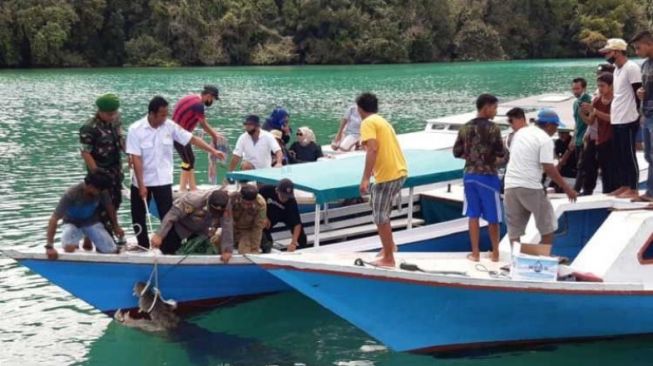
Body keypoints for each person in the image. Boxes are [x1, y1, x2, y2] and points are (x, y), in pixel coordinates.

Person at [126, 96, 225, 248]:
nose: (165, 118)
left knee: (167, 215)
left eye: (167, 114)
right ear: (152, 114)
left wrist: (212, 150)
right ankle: (142, 245)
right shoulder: (135, 129)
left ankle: (167, 245)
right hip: (142, 179)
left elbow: (192, 139)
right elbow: (136, 158)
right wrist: (141, 185)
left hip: (163, 180)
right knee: (138, 215)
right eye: (162, 115)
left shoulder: (169, 126)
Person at [504, 109, 577, 246]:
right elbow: (549, 168)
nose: (556, 130)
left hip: (510, 186)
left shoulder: (520, 133)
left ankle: (516, 260)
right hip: (530, 186)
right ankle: (544, 259)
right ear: (549, 125)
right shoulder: (545, 139)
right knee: (547, 225)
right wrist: (567, 188)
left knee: (514, 230)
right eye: (555, 127)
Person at [453, 94, 505, 262]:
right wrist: (489, 160)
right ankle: (495, 253)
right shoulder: (494, 128)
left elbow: (457, 152)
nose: (495, 111)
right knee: (493, 217)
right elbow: (500, 153)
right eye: (495, 107)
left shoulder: (465, 127)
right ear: (486, 107)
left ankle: (475, 253)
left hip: (469, 175)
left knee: (473, 215)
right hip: (487, 176)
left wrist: (472, 158)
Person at [358, 92, 408, 267]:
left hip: (388, 175)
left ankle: (389, 258)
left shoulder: (367, 122)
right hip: (398, 171)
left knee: (380, 216)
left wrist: (365, 178)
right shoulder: (381, 121)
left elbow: (372, 149)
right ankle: (390, 247)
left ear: (359, 109)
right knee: (380, 210)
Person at [79, 93, 125, 249]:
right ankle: (104, 244)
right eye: (109, 114)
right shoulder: (89, 128)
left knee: (115, 204)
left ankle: (100, 237)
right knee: (102, 209)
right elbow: (85, 152)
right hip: (100, 176)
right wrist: (96, 174)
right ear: (100, 111)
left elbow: (121, 140)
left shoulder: (115, 122)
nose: (113, 116)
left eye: (114, 113)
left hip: (115, 173)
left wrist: (131, 154)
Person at [45, 171, 124, 260]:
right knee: (68, 247)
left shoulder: (102, 191)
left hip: (91, 222)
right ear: (91, 187)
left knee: (110, 250)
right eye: (99, 190)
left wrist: (116, 226)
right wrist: (50, 246)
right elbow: (54, 219)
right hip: (72, 223)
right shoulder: (71, 194)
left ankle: (88, 237)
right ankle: (83, 239)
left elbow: (110, 208)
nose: (101, 192)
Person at [599, 38, 642, 198]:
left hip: (629, 118)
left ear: (617, 52)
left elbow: (638, 93)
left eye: (608, 52)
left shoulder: (632, 68)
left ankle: (634, 188)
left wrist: (639, 114)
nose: (606, 55)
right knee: (620, 155)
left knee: (629, 155)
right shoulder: (616, 70)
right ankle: (624, 185)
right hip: (617, 119)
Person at [150, 189, 233, 262]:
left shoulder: (226, 203)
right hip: (181, 225)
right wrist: (159, 235)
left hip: (202, 230)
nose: (216, 213)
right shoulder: (193, 200)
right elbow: (173, 215)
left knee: (202, 250)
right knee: (167, 249)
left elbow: (227, 225)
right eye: (214, 210)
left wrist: (227, 250)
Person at [172, 85, 224, 192]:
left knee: (189, 159)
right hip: (178, 134)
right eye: (213, 99)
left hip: (179, 132)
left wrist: (214, 133)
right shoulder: (199, 104)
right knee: (187, 160)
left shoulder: (192, 97)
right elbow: (203, 124)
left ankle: (191, 186)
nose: (212, 102)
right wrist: (214, 135)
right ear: (209, 96)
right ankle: (183, 188)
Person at [582, 73, 615, 194]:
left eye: (602, 86)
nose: (600, 88)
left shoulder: (616, 100)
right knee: (592, 165)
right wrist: (582, 113)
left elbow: (613, 119)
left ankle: (609, 191)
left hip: (613, 137)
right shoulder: (596, 100)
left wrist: (595, 111)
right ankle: (590, 190)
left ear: (611, 86)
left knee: (609, 168)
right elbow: (591, 121)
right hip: (601, 138)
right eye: (598, 86)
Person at [211, 184, 267, 254]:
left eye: (249, 204)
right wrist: (227, 249)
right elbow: (227, 223)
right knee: (215, 244)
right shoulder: (231, 199)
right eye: (244, 203)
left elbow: (258, 227)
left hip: (247, 231)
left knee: (246, 253)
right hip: (232, 228)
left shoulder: (261, 204)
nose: (246, 206)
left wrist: (254, 248)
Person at [260, 179, 307, 252]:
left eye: (287, 197)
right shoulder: (266, 190)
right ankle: (266, 246)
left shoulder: (292, 202)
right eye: (282, 196)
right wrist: (264, 216)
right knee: (263, 226)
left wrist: (293, 243)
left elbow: (297, 224)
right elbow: (258, 202)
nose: (285, 199)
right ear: (277, 191)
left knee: (301, 235)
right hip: (270, 212)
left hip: (286, 214)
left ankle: (304, 248)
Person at [633, 31, 653, 201]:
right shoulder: (645, 65)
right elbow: (645, 89)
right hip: (647, 115)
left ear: (649, 44)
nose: (636, 51)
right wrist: (641, 93)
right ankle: (649, 193)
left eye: (638, 47)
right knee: (648, 155)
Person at [570, 78, 597, 195]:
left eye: (577, 88)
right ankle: (582, 190)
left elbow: (591, 121)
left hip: (587, 138)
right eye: (573, 89)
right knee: (580, 165)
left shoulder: (588, 101)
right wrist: (573, 138)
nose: (575, 91)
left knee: (584, 165)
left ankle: (578, 190)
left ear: (584, 88)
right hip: (578, 138)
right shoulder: (576, 103)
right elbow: (576, 122)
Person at [549, 127, 577, 193]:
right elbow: (556, 155)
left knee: (558, 171)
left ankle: (553, 186)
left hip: (572, 166)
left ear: (568, 133)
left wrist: (560, 163)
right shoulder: (558, 142)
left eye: (563, 133)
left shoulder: (571, 142)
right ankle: (553, 186)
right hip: (563, 165)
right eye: (560, 133)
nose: (561, 135)